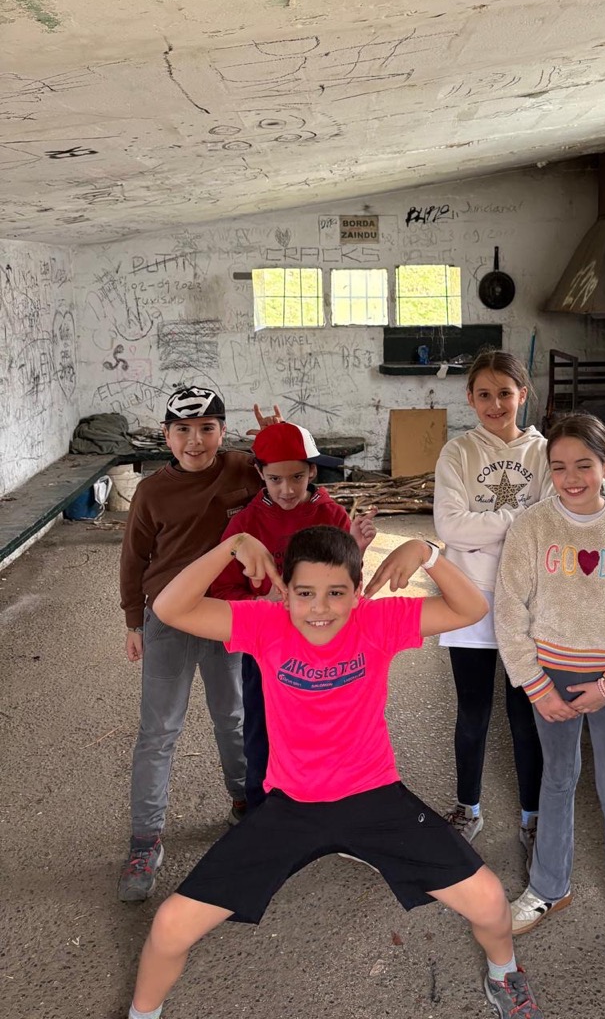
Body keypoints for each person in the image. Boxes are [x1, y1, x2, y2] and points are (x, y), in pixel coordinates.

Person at [126, 526, 546, 1019]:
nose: (320, 609)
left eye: (336, 593)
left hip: (373, 800)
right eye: (305, 593)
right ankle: (142, 1012)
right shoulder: (264, 623)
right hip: (290, 808)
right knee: (170, 925)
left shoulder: (377, 621)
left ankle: (503, 974)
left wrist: (426, 553)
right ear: (284, 591)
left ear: (358, 590)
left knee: (490, 900)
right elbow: (169, 608)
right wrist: (232, 545)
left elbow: (471, 608)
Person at [494, 413, 605, 989]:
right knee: (557, 779)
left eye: (584, 465)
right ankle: (549, 886)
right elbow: (509, 608)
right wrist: (536, 685)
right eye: (560, 466)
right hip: (551, 680)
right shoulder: (531, 527)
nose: (571, 478)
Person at [118, 388, 278, 902]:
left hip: (226, 616)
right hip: (168, 617)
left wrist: (275, 441)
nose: (195, 441)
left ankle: (244, 802)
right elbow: (133, 558)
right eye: (183, 430)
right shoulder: (152, 492)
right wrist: (134, 621)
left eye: (207, 429)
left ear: (223, 433)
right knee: (159, 730)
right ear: (165, 436)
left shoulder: (242, 469)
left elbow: (289, 485)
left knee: (232, 715)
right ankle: (145, 840)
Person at [208, 421, 378, 811]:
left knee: (326, 729)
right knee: (262, 731)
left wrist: (356, 549)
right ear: (259, 474)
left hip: (323, 649)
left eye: (297, 477)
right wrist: (262, 601)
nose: (287, 489)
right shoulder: (244, 525)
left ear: (312, 471)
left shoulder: (332, 515)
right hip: (266, 651)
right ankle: (261, 811)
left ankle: (322, 806)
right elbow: (222, 591)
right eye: (276, 479)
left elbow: (347, 586)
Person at [433, 349, 551, 854]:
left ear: (522, 394)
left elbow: (551, 525)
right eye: (484, 394)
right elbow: (449, 526)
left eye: (505, 393)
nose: (495, 404)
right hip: (470, 597)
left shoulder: (544, 453)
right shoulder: (458, 453)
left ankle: (532, 817)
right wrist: (520, 521)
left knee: (525, 713)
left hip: (529, 598)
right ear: (470, 398)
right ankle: (468, 808)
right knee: (473, 710)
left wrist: (484, 530)